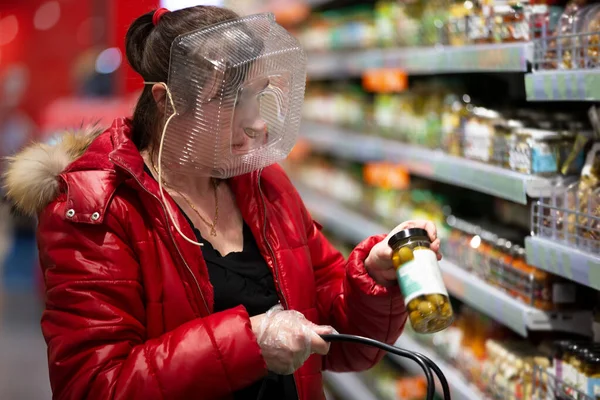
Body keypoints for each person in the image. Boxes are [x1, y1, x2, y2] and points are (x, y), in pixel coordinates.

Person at [2, 6, 442, 400]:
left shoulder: (264, 186)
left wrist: (373, 277)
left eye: (258, 96)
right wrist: (249, 343)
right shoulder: (97, 210)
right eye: (231, 102)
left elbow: (335, 330)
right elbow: (94, 385)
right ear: (165, 101)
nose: (255, 124)